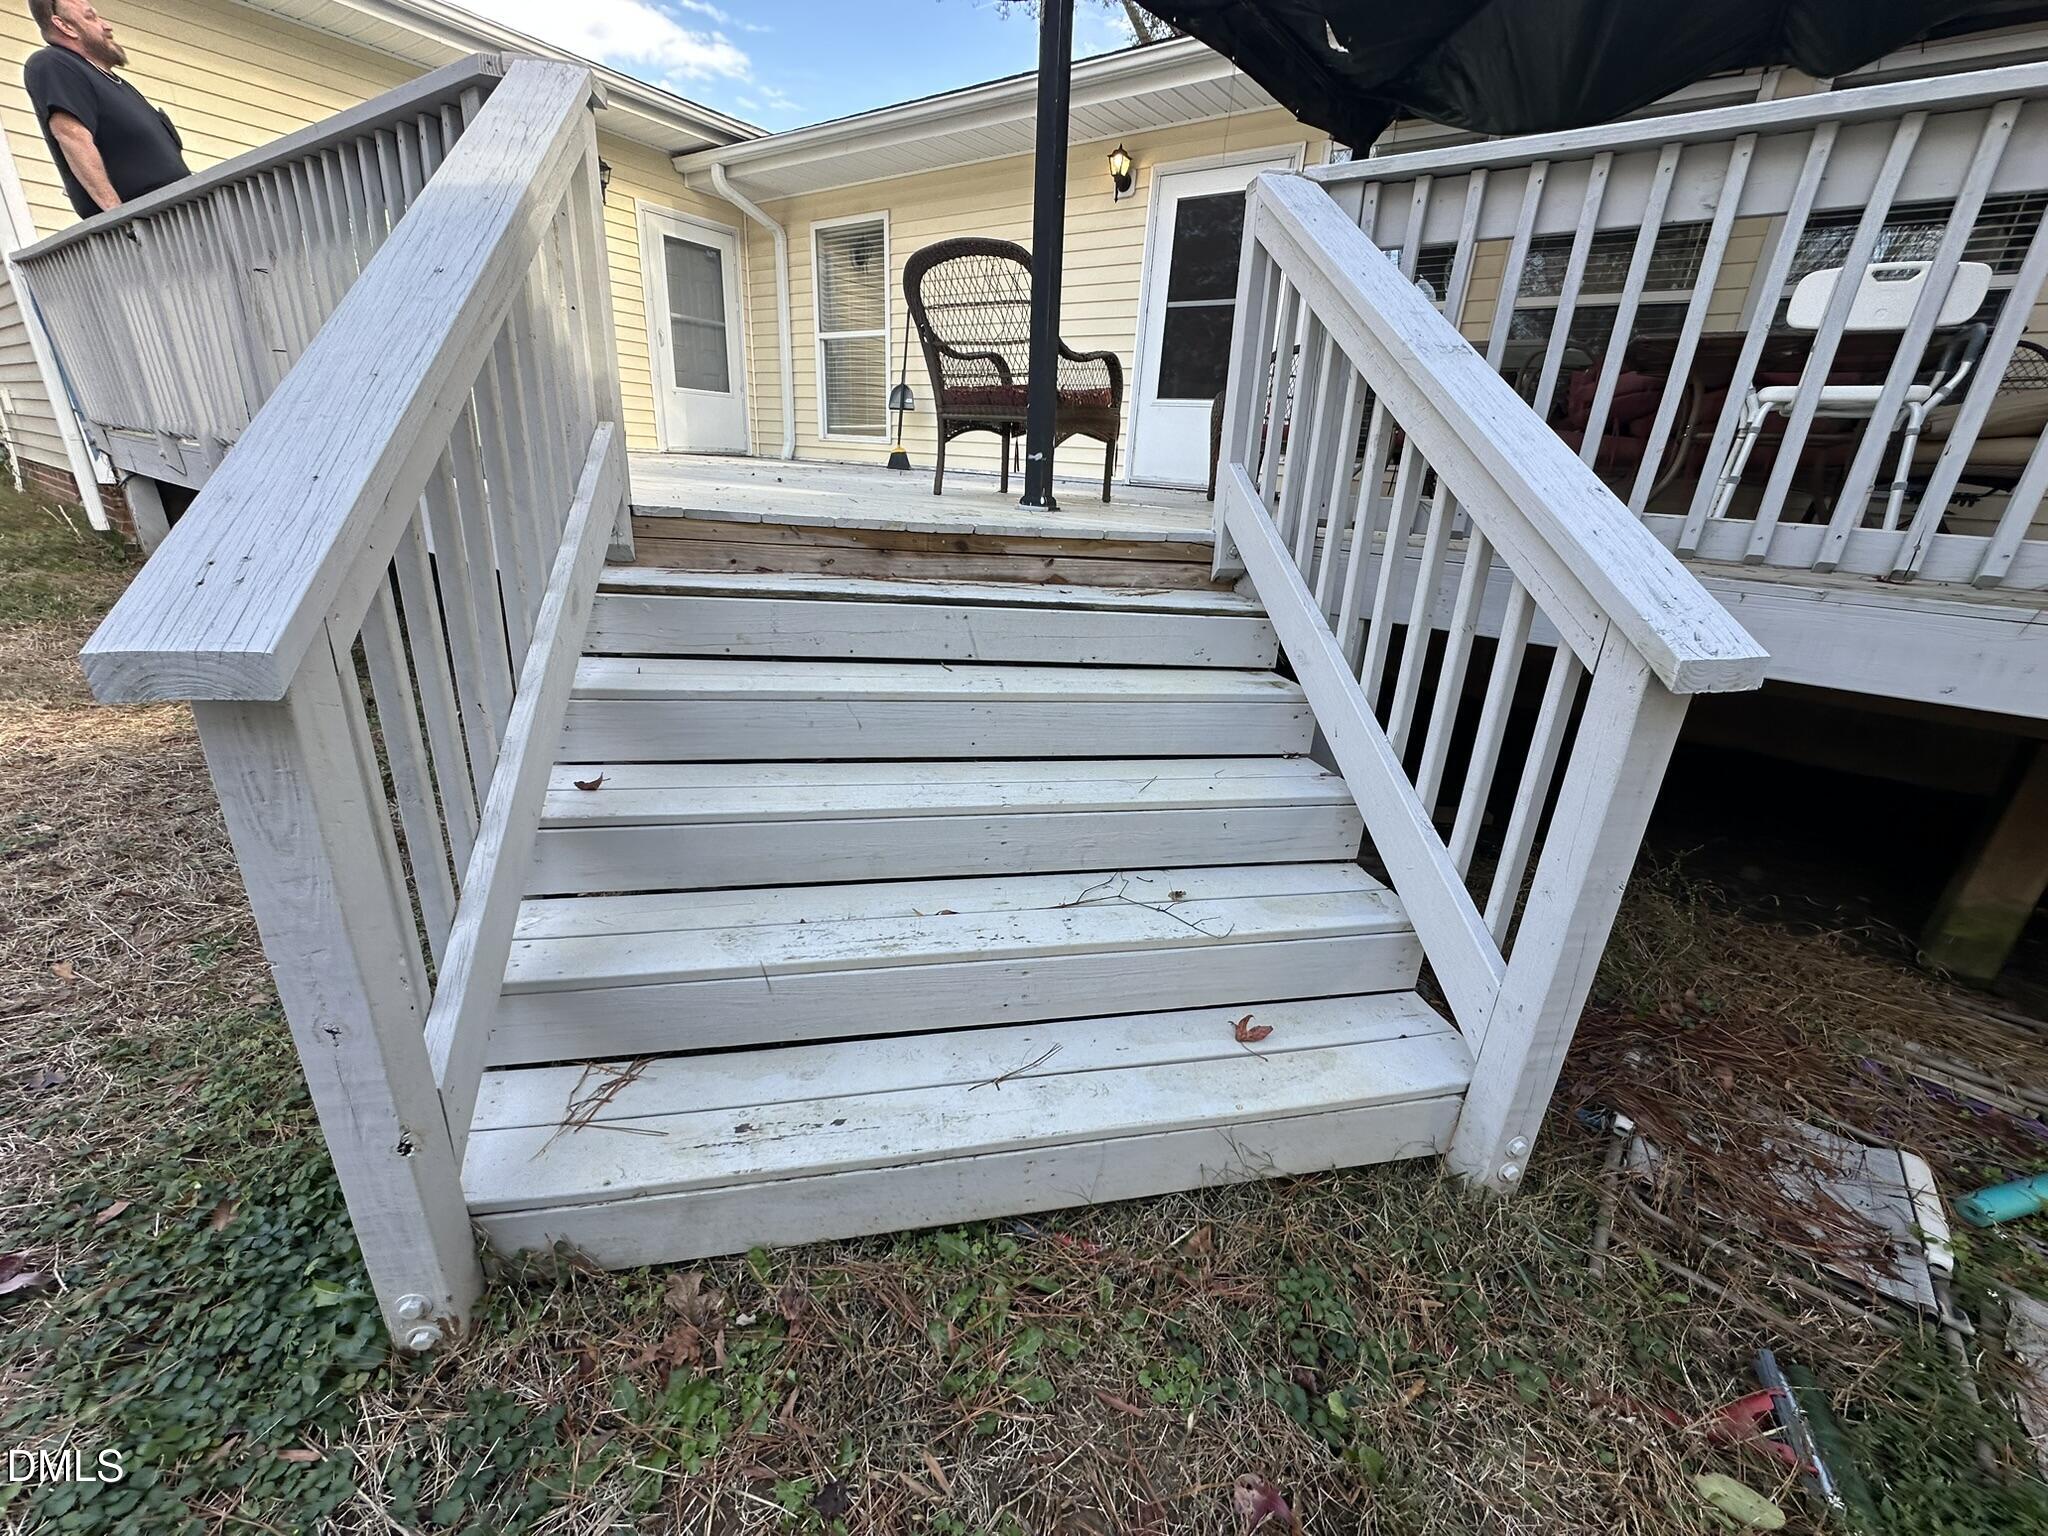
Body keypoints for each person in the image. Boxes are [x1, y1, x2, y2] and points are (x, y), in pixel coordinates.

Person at [23, 0, 188, 220]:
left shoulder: (119, 86)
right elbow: (72, 136)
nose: (107, 26)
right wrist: (119, 218)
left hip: (183, 216)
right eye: (91, 17)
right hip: (148, 225)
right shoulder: (53, 63)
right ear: (65, 26)